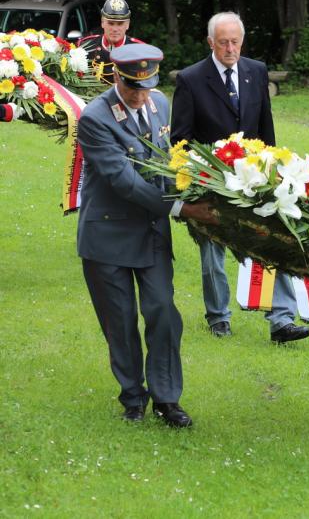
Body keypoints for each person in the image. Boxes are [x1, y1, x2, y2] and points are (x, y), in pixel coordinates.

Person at [77, 43, 218, 426]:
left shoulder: (159, 104)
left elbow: (167, 162)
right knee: (120, 322)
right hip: (108, 235)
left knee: (162, 312)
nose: (141, 96)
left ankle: (167, 399)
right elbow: (123, 180)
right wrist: (180, 208)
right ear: (117, 78)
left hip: (151, 231)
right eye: (132, 88)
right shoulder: (94, 118)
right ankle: (133, 398)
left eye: (147, 86)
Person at [171, 11, 309, 343]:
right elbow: (181, 139)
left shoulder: (256, 71)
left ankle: (281, 319)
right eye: (223, 43)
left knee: (274, 241)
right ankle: (218, 316)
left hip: (256, 178)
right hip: (210, 181)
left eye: (235, 42)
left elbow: (266, 126)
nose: (230, 48)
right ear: (210, 43)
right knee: (213, 252)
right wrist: (197, 180)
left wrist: (274, 171)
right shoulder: (190, 79)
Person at [79, 0, 144, 85]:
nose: (115, 29)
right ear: (102, 23)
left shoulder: (138, 50)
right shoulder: (87, 46)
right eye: (111, 23)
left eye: (120, 24)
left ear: (127, 24)